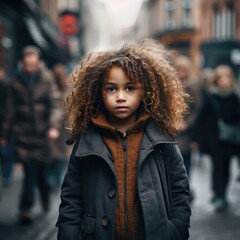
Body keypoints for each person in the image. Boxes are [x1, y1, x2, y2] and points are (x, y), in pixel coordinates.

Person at [56, 39, 191, 240]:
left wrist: (174, 231)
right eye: (111, 89)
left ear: (145, 91)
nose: (120, 96)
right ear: (98, 93)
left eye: (129, 88)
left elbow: (179, 192)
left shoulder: (162, 140)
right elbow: (71, 199)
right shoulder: (87, 141)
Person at [0, 46, 62, 223]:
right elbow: (10, 112)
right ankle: (25, 208)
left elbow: (55, 104)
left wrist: (53, 126)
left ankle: (44, 195)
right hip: (23, 135)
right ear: (22, 62)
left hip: (43, 135)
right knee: (28, 171)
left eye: (33, 64)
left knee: (41, 173)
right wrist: (4, 134)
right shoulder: (15, 82)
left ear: (38, 63)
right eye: (27, 64)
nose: (30, 68)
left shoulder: (47, 79)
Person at [192, 64, 240, 212]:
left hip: (231, 139)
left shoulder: (235, 96)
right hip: (214, 139)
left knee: (226, 168)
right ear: (216, 80)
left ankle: (222, 193)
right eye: (221, 78)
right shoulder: (211, 96)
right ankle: (218, 195)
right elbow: (201, 119)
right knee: (218, 166)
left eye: (227, 77)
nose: (224, 81)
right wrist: (196, 138)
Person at [174, 55, 200, 202]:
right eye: (178, 70)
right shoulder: (170, 86)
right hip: (174, 131)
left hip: (188, 133)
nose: (181, 74)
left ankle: (186, 189)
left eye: (183, 70)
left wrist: (187, 124)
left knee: (187, 163)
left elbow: (197, 110)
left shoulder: (193, 87)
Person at [48, 63, 71, 190]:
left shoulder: (52, 90)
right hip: (61, 129)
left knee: (54, 156)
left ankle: (53, 179)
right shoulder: (65, 92)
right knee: (60, 157)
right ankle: (55, 180)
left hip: (55, 128)